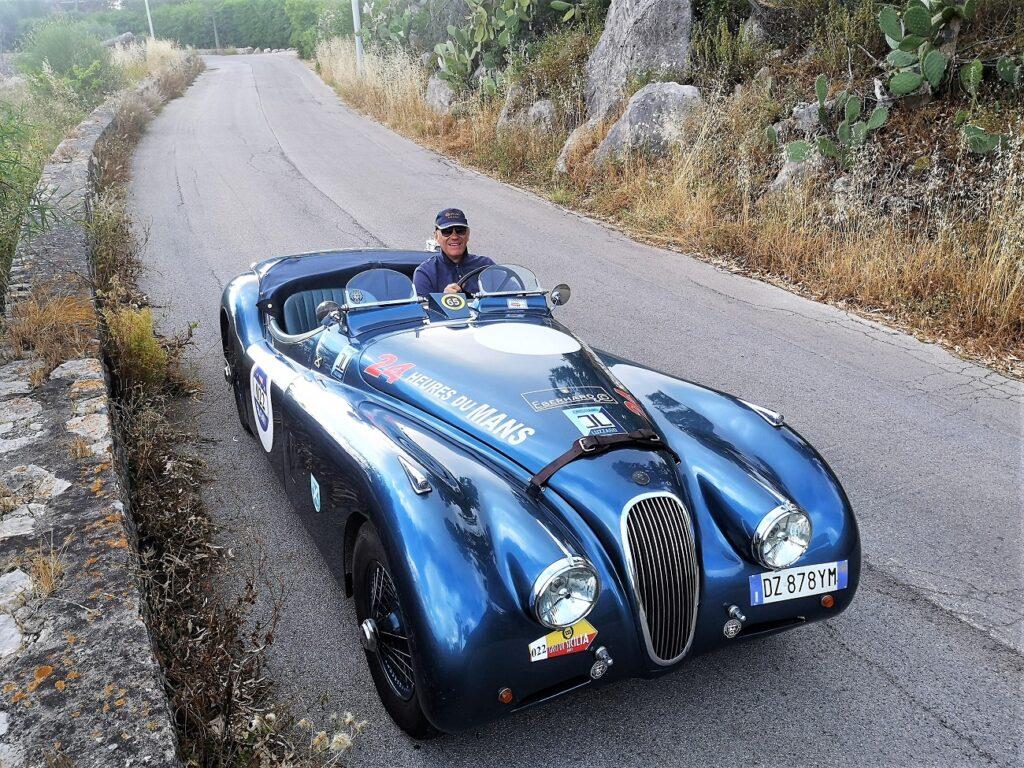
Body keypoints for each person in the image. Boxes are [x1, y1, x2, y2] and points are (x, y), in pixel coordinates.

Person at [413, 208, 495, 295]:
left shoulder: (487, 266)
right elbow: (422, 307)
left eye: (460, 230)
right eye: (447, 231)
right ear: (436, 236)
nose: (454, 237)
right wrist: (443, 298)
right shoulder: (425, 272)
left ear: (468, 234)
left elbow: (508, 297)